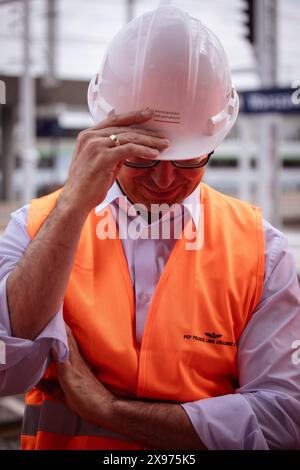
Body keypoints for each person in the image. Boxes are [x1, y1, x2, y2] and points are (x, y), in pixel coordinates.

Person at [0, 6, 300, 450]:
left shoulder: (264, 253)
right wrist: (71, 208)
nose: (164, 181)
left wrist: (109, 411)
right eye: (142, 156)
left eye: (188, 159)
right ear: (103, 133)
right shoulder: (37, 227)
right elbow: (8, 372)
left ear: (216, 142)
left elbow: (284, 420)